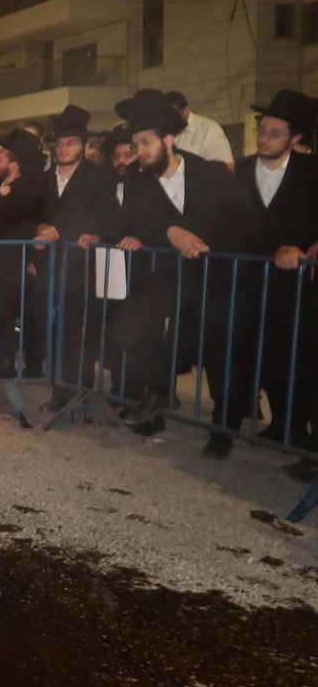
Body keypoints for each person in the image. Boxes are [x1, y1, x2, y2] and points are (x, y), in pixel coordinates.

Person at [105, 91, 256, 458]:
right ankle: (158, 393)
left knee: (219, 354)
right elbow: (133, 222)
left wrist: (201, 240)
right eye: (134, 144)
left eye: (145, 143)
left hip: (216, 279)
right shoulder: (140, 181)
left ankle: (223, 430)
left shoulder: (214, 175)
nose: (138, 151)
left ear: (169, 140)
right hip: (168, 279)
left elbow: (248, 226)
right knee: (129, 329)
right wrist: (169, 232)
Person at [234, 90, 318, 460]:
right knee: (262, 353)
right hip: (251, 280)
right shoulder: (239, 169)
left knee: (297, 356)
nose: (264, 138)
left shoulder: (313, 172)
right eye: (261, 130)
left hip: (298, 284)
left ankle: (302, 429)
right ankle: (281, 421)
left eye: (274, 132)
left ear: (295, 138)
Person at [32, 105, 119, 409]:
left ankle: (78, 389)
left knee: (79, 330)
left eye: (70, 143)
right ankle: (61, 387)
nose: (63, 149)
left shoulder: (100, 177)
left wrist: (58, 230)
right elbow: (33, 214)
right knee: (54, 329)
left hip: (83, 269)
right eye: (59, 143)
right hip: (50, 269)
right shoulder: (44, 180)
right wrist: (40, 227)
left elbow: (107, 216)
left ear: (84, 146)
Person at [0, 128, 48, 379]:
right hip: (2, 267)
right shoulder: (2, 186)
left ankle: (31, 365)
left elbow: (6, 214)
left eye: (1, 156)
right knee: (0, 315)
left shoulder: (29, 188)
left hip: (22, 265)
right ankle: (4, 366)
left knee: (29, 316)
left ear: (15, 163)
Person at [166, 89, 234, 170]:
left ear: (185, 110)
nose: (171, 119)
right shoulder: (165, 132)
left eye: (174, 114)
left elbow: (227, 167)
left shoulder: (208, 128)